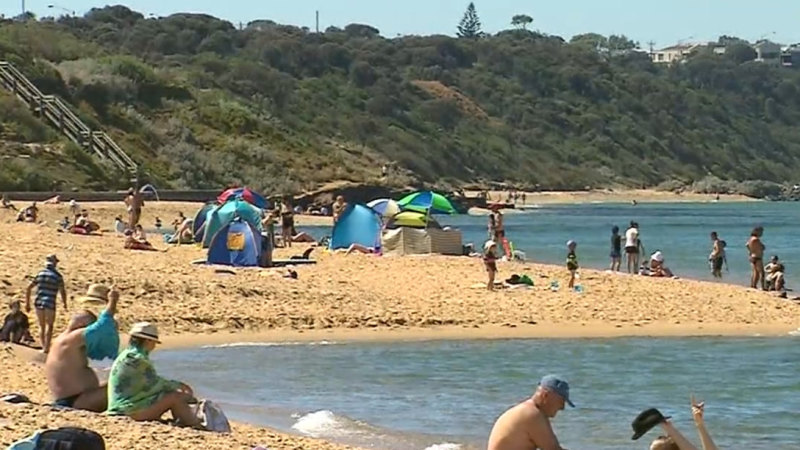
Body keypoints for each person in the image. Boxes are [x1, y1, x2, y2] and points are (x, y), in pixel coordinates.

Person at [107, 322, 200, 427]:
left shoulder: (126, 355)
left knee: (170, 395)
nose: (154, 346)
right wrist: (180, 386)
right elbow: (155, 384)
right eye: (154, 342)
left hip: (123, 407)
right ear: (148, 341)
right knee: (175, 397)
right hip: (126, 411)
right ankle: (194, 424)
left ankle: (184, 420)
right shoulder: (137, 359)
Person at [46, 284, 120, 412]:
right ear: (82, 325)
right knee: (122, 385)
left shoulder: (60, 340)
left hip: (71, 398)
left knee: (111, 383)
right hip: (76, 401)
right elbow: (102, 326)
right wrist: (113, 301)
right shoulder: (72, 338)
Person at [487, 375, 573, 450]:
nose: (562, 407)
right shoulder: (533, 415)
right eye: (561, 402)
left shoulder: (527, 410)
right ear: (545, 396)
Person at [25, 254, 67, 352]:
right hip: (50, 302)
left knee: (41, 326)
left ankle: (44, 346)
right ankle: (46, 348)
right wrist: (64, 303)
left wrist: (27, 303)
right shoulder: (57, 276)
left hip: (39, 301)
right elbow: (62, 291)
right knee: (50, 326)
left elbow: (29, 288)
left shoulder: (40, 273)